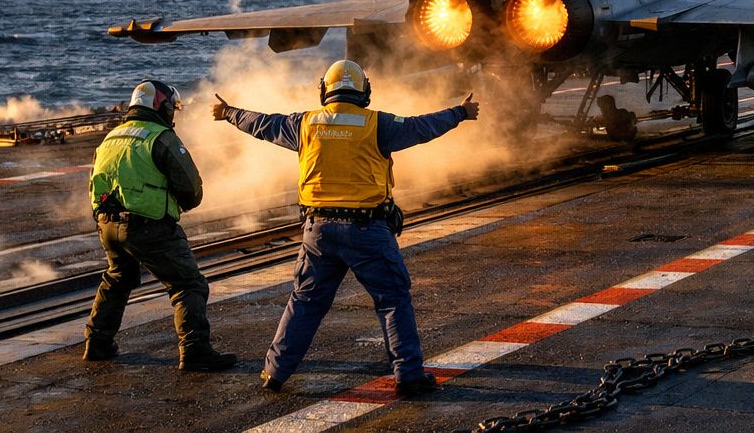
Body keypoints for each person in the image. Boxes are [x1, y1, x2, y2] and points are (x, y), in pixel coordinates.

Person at [212, 60, 479, 395]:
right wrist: (460, 112)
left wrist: (229, 112)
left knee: (305, 301)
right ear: (363, 90)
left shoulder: (305, 124)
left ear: (325, 89)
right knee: (393, 299)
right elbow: (422, 127)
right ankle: (408, 376)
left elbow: (262, 123)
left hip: (318, 231)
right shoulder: (378, 124)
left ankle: (275, 372)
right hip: (367, 230)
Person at [85, 80, 237, 372]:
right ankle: (195, 351)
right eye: (171, 108)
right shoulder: (160, 137)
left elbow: (95, 184)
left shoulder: (111, 137)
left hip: (108, 225)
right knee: (187, 284)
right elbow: (191, 189)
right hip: (149, 226)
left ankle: (97, 342)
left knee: (118, 278)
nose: (172, 114)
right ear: (161, 107)